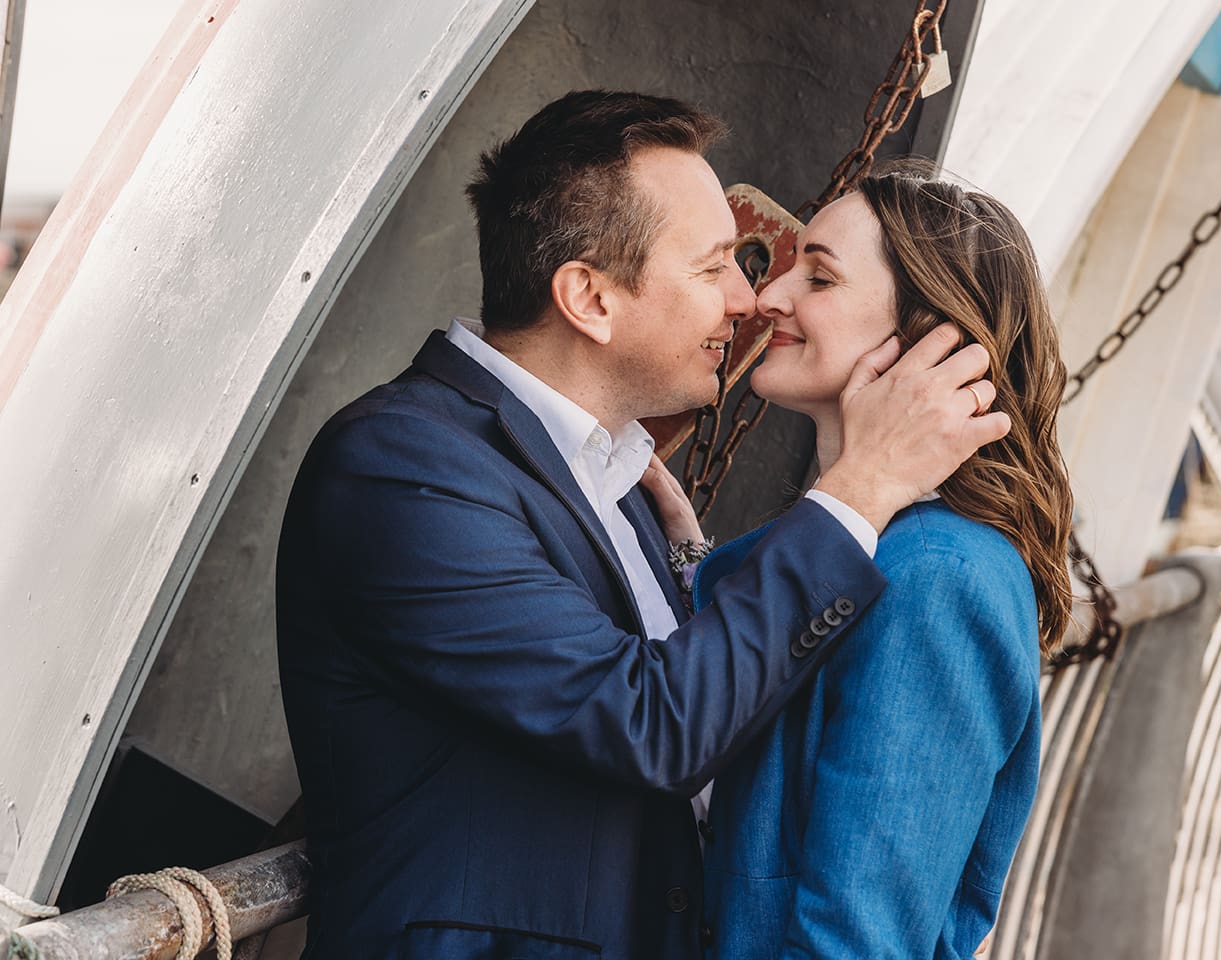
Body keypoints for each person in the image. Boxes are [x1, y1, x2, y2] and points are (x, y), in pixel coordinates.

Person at [276, 92, 1010, 960]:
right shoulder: (403, 466)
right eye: (714, 268)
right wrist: (865, 483)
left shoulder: (614, 484)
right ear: (589, 297)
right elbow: (649, 721)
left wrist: (697, 561)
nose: (750, 296)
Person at [642, 162, 1072, 959]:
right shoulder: (880, 549)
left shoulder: (940, 577)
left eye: (821, 277)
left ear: (925, 342)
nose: (768, 297)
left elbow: (858, 940)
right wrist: (690, 556)